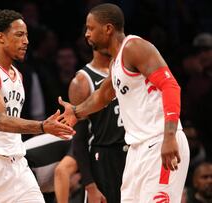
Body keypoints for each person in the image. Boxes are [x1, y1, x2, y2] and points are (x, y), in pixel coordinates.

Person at [59, 3, 190, 202]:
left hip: (159, 141)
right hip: (136, 150)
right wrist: (75, 111)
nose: (87, 34)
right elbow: (102, 96)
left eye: (91, 28)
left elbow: (171, 86)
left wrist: (169, 136)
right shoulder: (116, 62)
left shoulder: (134, 47)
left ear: (108, 29)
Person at [0, 9, 75, 203]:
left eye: (27, 35)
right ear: (1, 38)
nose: (26, 41)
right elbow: (0, 121)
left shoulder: (17, 75)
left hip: (16, 164)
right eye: (19, 35)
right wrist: (42, 127)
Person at [54, 50, 126, 203]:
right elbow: (78, 141)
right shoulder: (82, 81)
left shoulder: (127, 70)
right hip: (103, 159)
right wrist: (90, 185)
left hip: (130, 155)